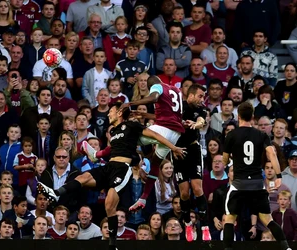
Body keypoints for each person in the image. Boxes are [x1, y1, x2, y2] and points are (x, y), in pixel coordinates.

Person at [38, 102, 185, 250]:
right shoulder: (114, 132)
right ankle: (56, 193)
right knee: (83, 178)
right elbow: (109, 150)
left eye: (111, 111)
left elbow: (154, 135)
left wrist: (173, 148)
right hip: (108, 167)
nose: (108, 114)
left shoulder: (132, 126)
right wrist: (95, 154)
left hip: (122, 169)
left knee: (109, 205)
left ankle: (112, 244)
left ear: (120, 112)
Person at [222, 102, 291, 250]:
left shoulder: (231, 135)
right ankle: (286, 247)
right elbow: (272, 153)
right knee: (267, 218)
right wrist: (279, 175)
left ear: (238, 116)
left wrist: (232, 158)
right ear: (252, 117)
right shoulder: (261, 134)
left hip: (239, 184)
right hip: (257, 183)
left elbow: (225, 160)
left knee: (230, 218)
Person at [125, 75, 185, 211]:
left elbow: (154, 97)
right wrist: (145, 116)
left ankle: (99, 154)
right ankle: (143, 198)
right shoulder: (176, 90)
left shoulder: (157, 87)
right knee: (156, 163)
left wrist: (131, 103)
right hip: (175, 133)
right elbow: (170, 115)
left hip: (163, 129)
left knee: (126, 138)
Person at [173, 84, 209, 241]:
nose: (202, 100)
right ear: (191, 95)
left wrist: (196, 124)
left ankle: (205, 226)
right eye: (200, 96)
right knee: (185, 193)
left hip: (194, 150)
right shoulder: (177, 107)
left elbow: (201, 121)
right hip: (178, 150)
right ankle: (187, 223)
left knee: (197, 188)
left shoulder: (200, 109)